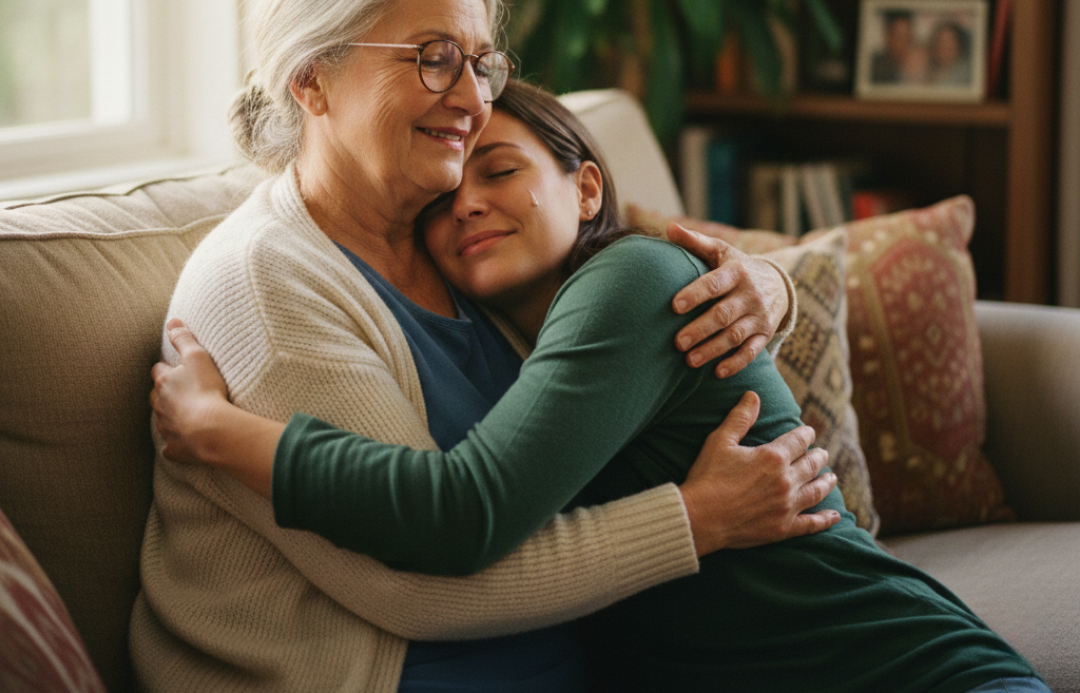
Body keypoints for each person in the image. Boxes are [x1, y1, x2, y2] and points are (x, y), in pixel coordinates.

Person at [131, 0, 838, 693]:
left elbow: (628, 277)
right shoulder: (265, 286)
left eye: (480, 63)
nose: (471, 100)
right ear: (312, 79)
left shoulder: (463, 249)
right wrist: (694, 520)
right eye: (434, 60)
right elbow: (419, 585)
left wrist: (770, 289)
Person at [153, 79, 1048, 693]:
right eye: (441, 200)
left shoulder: (626, 286)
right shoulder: (506, 334)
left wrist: (216, 430)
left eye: (499, 170)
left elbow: (461, 512)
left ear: (586, 189)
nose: (464, 203)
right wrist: (771, 293)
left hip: (896, 672)